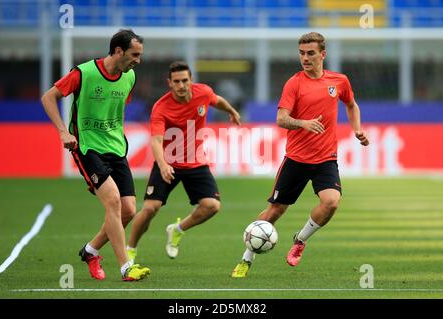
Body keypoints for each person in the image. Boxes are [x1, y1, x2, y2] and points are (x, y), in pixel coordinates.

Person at [231, 32, 369, 278]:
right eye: (302, 53)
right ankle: (246, 258)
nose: (305, 58)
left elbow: (351, 104)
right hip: (296, 158)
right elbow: (281, 119)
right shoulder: (294, 83)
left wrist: (357, 128)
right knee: (274, 211)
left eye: (311, 53)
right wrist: (303, 123)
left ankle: (300, 239)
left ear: (322, 54)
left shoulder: (339, 81)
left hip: (326, 158)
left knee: (331, 201)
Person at [41, 29, 150, 281]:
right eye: (135, 54)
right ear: (118, 50)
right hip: (87, 147)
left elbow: (117, 108)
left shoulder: (129, 77)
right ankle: (126, 268)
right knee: (112, 201)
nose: (138, 60)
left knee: (129, 210)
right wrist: (63, 132)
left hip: (116, 148)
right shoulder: (84, 73)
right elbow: (49, 97)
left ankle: (90, 251)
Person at [126, 61, 241, 262]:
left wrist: (231, 111)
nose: (181, 85)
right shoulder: (161, 107)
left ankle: (177, 230)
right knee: (150, 208)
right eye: (176, 81)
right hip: (168, 163)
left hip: (195, 162)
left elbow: (217, 100)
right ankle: (130, 250)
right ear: (169, 83)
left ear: (191, 81)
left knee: (212, 206)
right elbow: (156, 140)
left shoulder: (203, 92)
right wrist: (162, 165)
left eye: (185, 81)